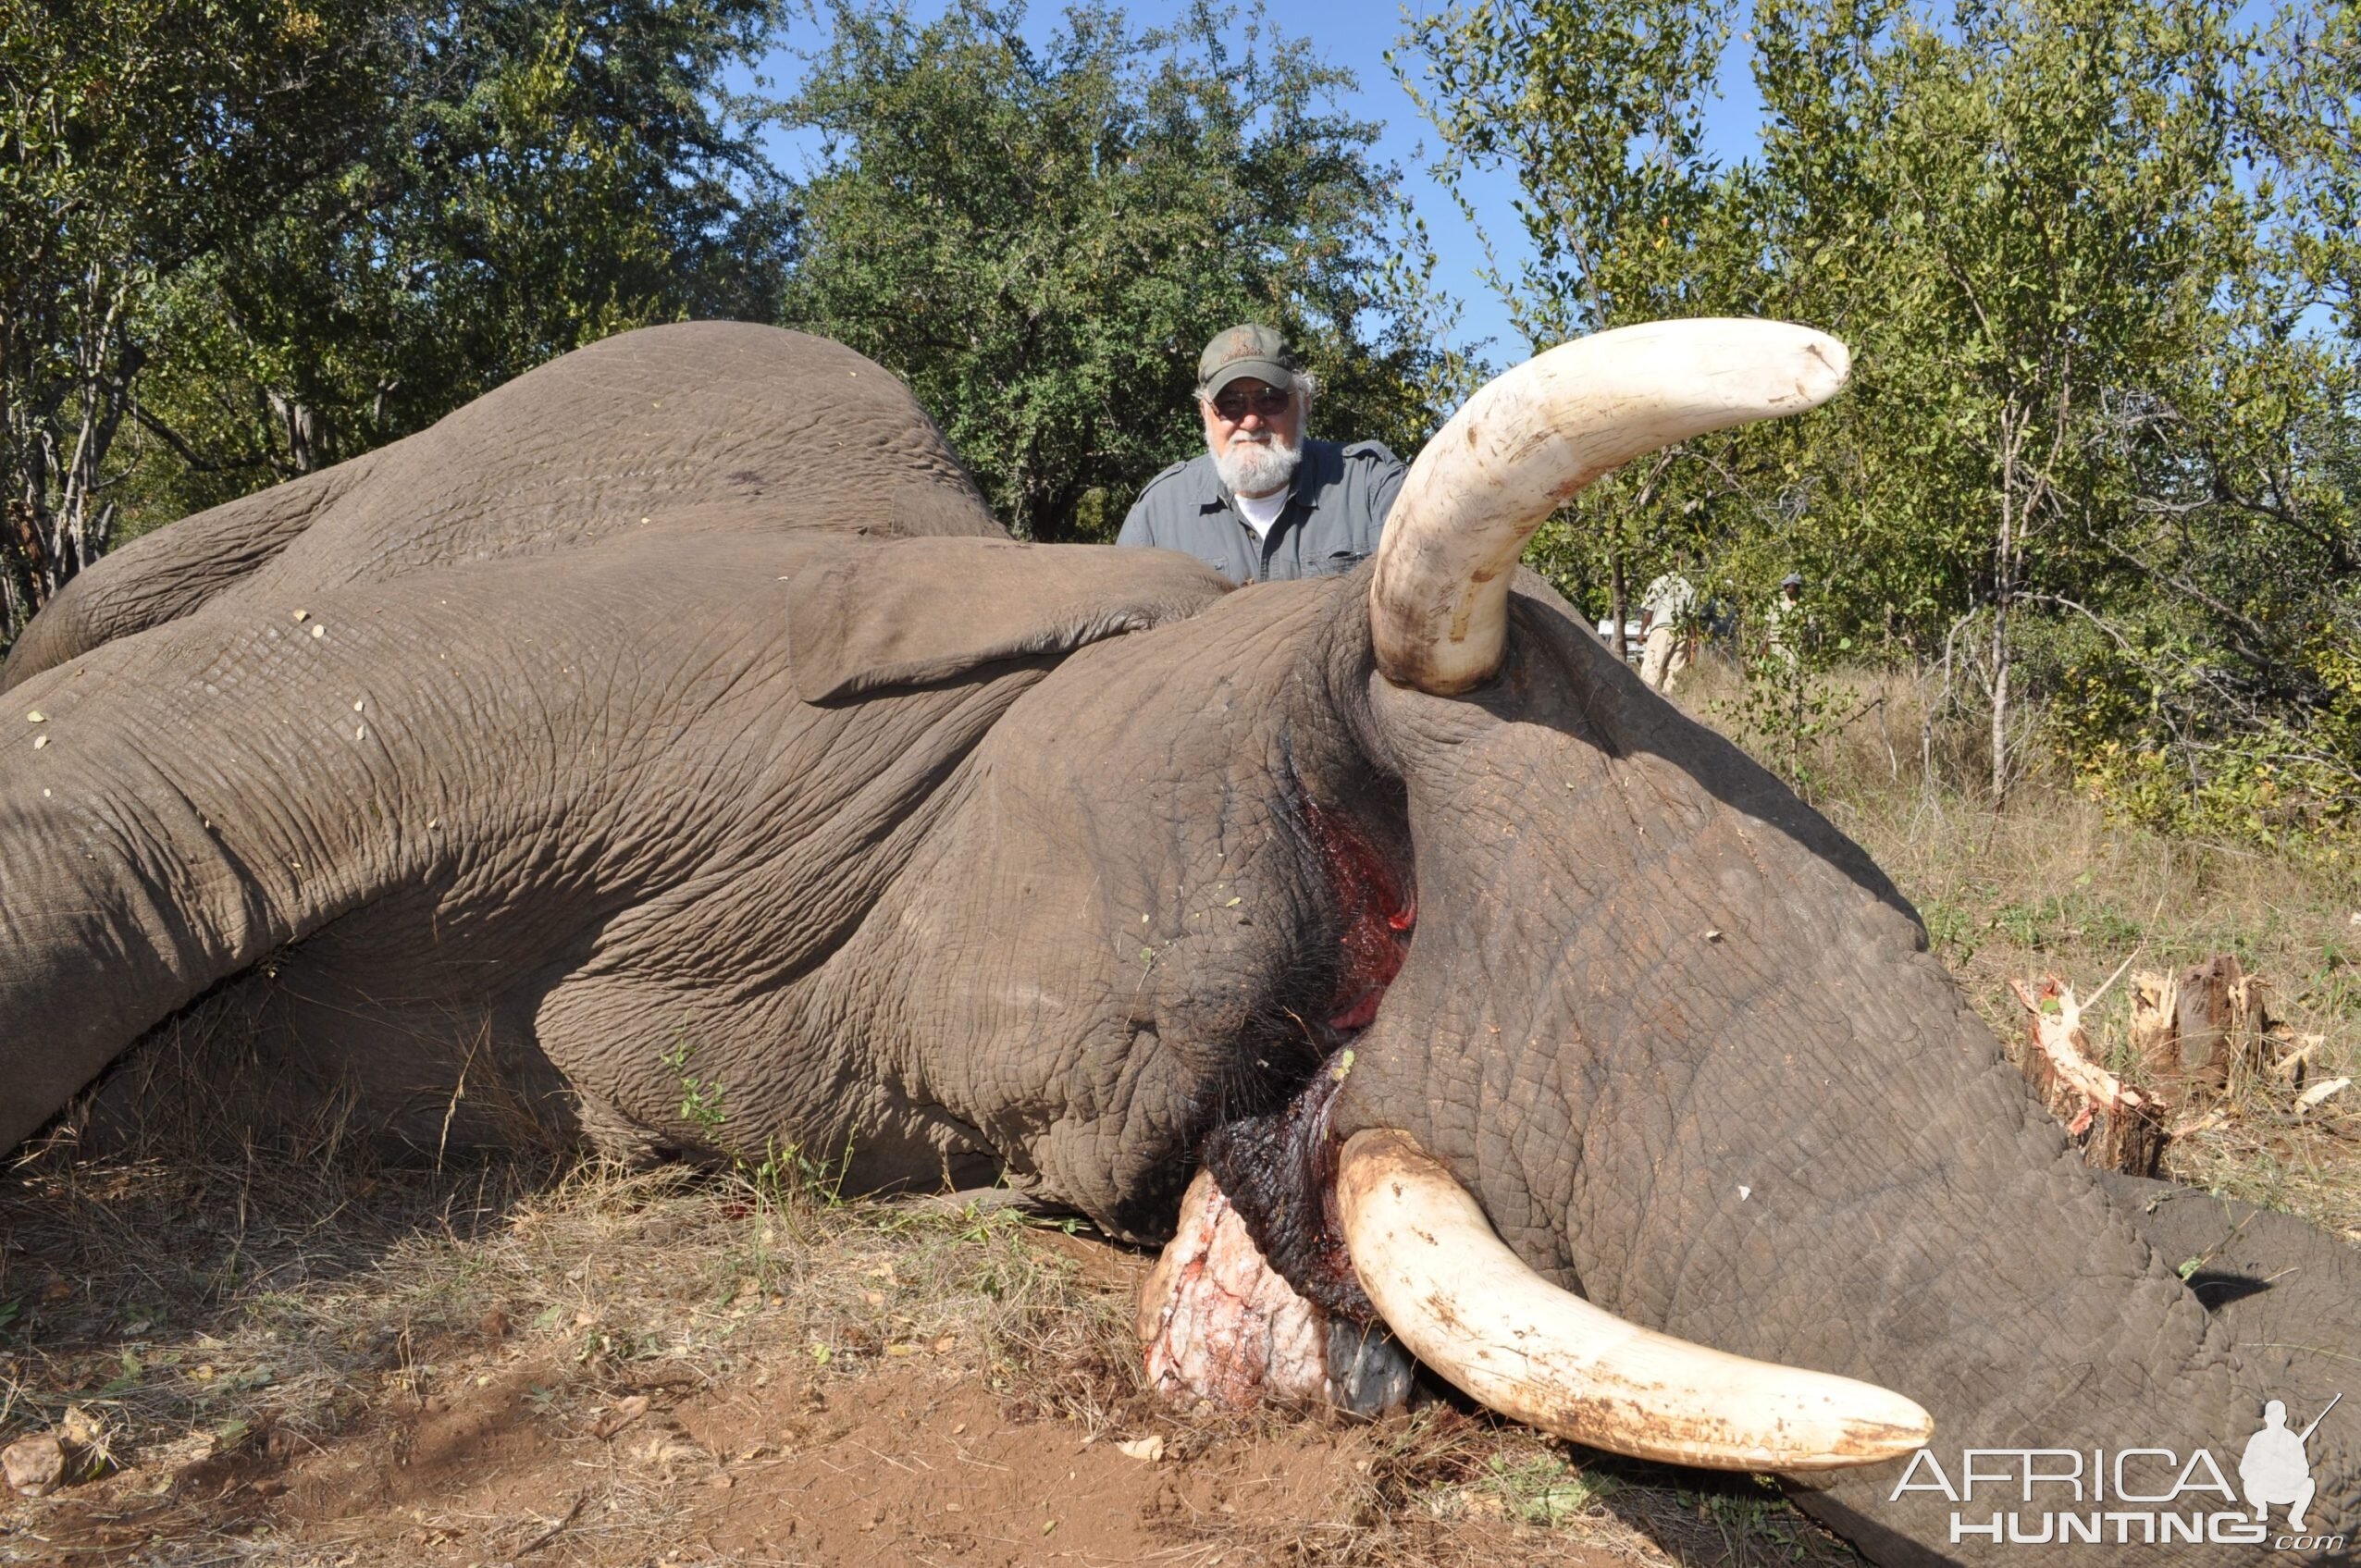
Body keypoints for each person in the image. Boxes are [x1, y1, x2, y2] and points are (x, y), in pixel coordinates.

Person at [1117, 325, 1405, 583]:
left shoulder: (1370, 486)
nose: (1251, 421)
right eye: (1230, 404)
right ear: (1204, 412)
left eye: (1270, 399)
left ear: (1305, 403)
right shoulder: (1157, 514)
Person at [1638, 571, 1696, 693]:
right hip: (1681, 633)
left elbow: (1648, 612)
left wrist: (1641, 633)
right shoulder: (1688, 586)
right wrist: (1693, 638)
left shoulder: (1658, 583)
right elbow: (1691, 617)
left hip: (1661, 631)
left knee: (1651, 670)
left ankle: (1645, 700)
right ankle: (1669, 704)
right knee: (1673, 674)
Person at [1763, 571, 1806, 669]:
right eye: (1786, 585)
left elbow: (1808, 623)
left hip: (1794, 643)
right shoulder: (1776, 599)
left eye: (1790, 586)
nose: (1788, 588)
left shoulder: (1803, 603)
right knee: (1777, 669)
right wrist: (1765, 642)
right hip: (1776, 641)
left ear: (1796, 587)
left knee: (1791, 669)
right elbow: (1768, 623)